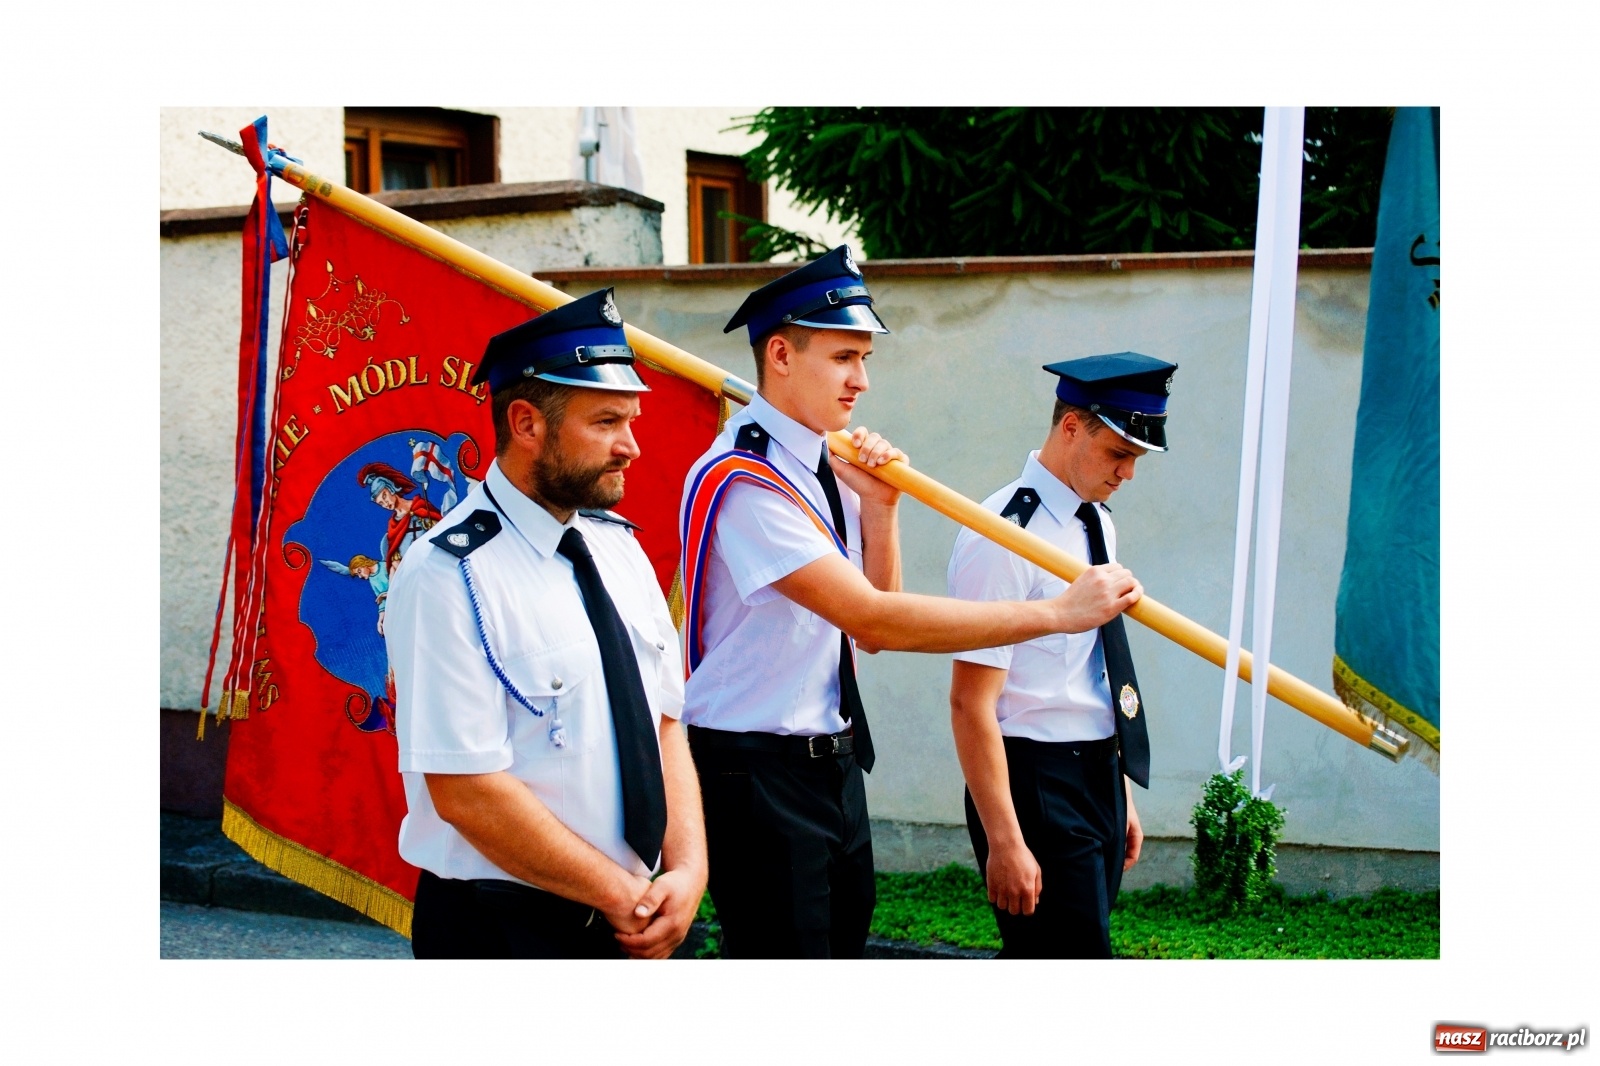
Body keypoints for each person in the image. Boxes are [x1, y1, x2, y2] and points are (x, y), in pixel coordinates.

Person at [678, 247, 1143, 958]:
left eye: (864, 359)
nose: (861, 380)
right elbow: (876, 621)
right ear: (779, 353)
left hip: (828, 761)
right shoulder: (746, 479)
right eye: (843, 357)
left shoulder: (817, 466)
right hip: (757, 769)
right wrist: (1057, 613)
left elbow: (871, 620)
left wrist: (881, 507)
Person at [386, 288, 706, 959]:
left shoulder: (618, 548)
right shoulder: (448, 575)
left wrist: (688, 871)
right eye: (607, 422)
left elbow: (665, 721)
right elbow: (467, 791)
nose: (631, 447)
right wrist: (626, 898)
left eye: (632, 421)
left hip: (633, 916)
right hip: (506, 928)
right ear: (527, 424)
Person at [946, 351, 1176, 958]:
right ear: (1072, 426)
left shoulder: (1096, 520)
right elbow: (971, 702)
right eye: (1119, 454)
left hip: (1097, 769)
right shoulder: (1003, 534)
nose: (1128, 473)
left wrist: (1119, 790)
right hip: (1034, 779)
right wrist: (1004, 839)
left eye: (1136, 458)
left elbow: (1094, 667)